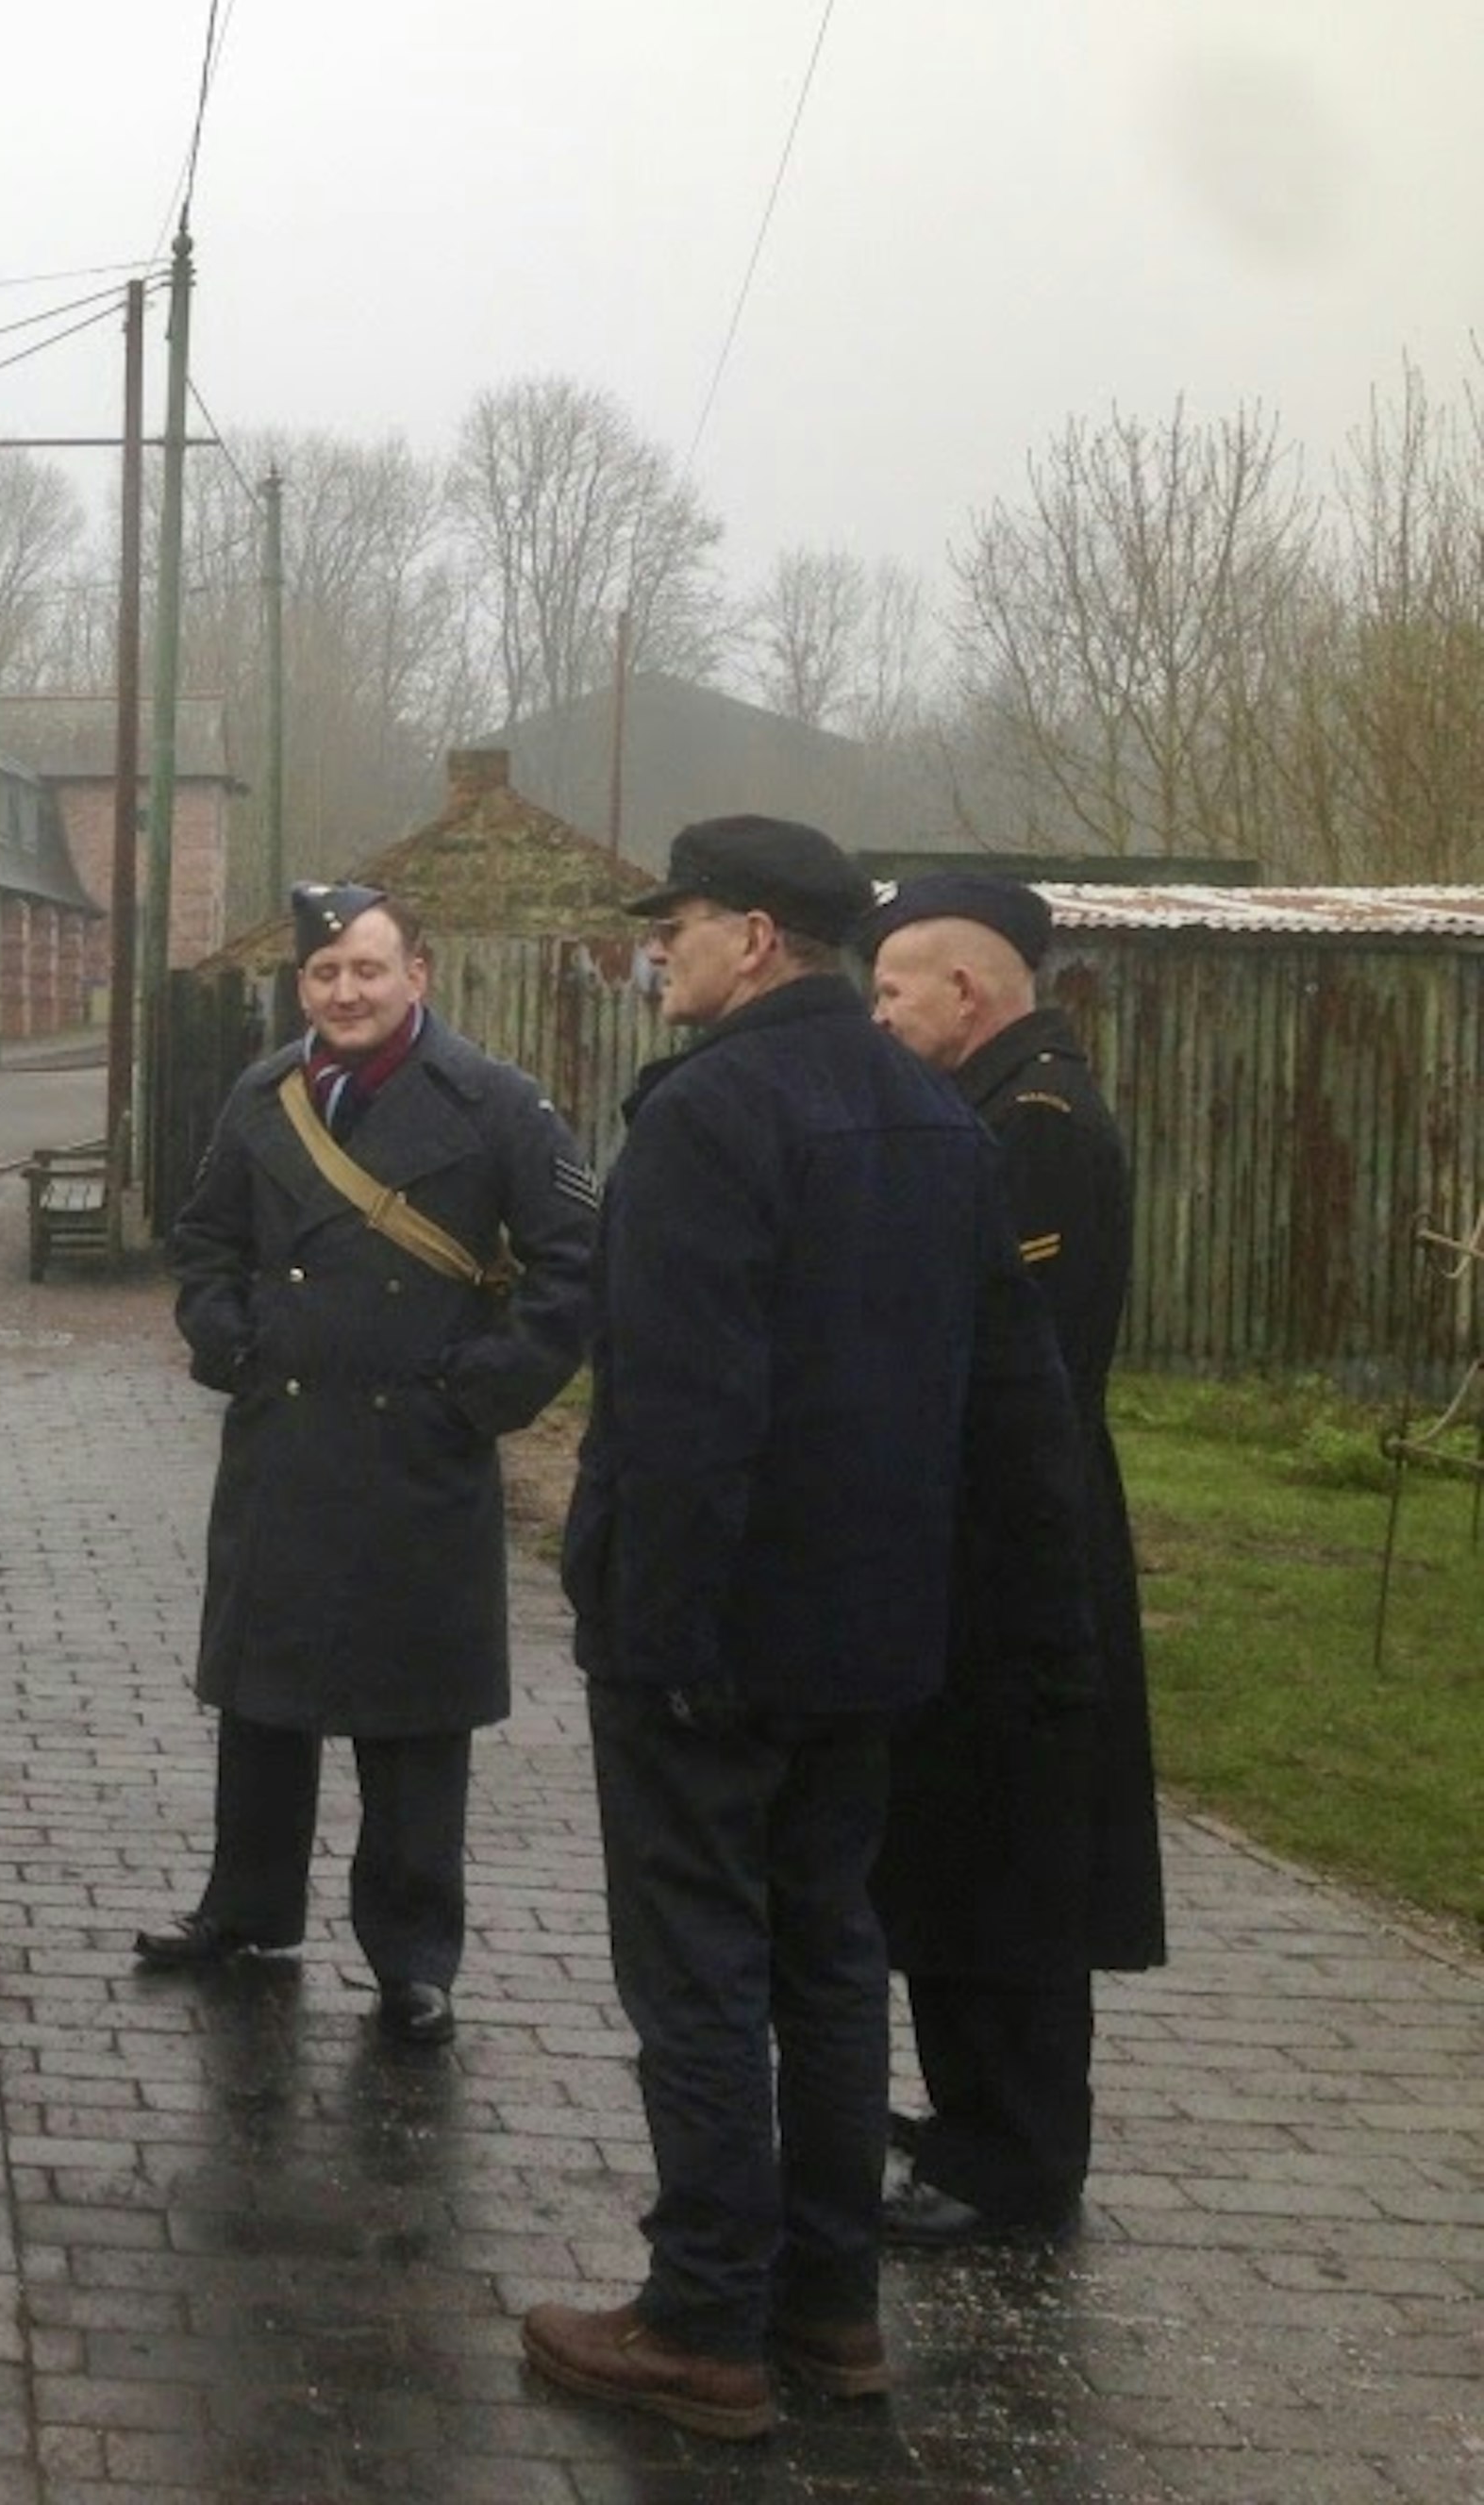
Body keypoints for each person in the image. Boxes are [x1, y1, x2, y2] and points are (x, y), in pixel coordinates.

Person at [521, 817, 1090, 2443]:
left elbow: (687, 1411)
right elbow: (1012, 1401)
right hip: (875, 1638)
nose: (662, 950)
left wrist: (662, 1630)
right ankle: (833, 2311)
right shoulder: (937, 1114)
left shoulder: (707, 1118)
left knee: (698, 1968)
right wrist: (1020, 1630)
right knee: (833, 1959)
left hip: (714, 1640)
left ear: (755, 938)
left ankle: (701, 2318)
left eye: (679, 922)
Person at [145, 882, 598, 2047]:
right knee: (262, 1699)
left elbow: (575, 1270)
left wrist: (478, 1396)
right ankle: (246, 1912)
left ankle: (412, 1959)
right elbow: (205, 1241)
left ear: (418, 977)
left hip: (419, 1455)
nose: (346, 992)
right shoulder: (265, 1095)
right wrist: (229, 1343)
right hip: (285, 1442)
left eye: (367, 970)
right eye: (325, 975)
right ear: (303, 986)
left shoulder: (497, 1105)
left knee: (412, 1721)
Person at [860, 873, 1167, 2246]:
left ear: (965, 993)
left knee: (1018, 1858)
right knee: (958, 1843)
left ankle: (1020, 2162)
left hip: (1016, 1541)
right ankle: (974, 2120)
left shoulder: (1033, 1125)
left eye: (890, 992)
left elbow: (1016, 1358)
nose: (878, 1016)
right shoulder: (987, 1106)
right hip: (973, 1531)